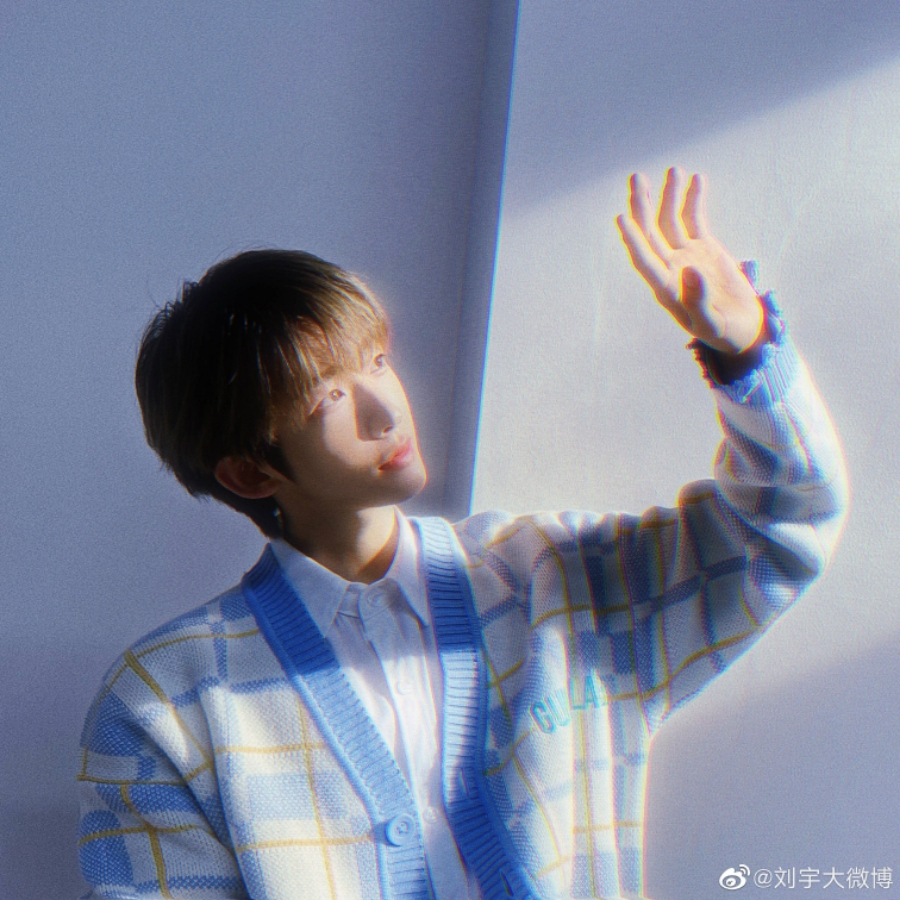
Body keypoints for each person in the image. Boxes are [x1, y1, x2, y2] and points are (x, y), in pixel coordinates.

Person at [76, 169, 847, 900]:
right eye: (328, 399)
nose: (386, 409)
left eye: (377, 360)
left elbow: (781, 526)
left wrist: (745, 352)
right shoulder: (168, 698)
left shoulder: (553, 581)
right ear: (249, 473)